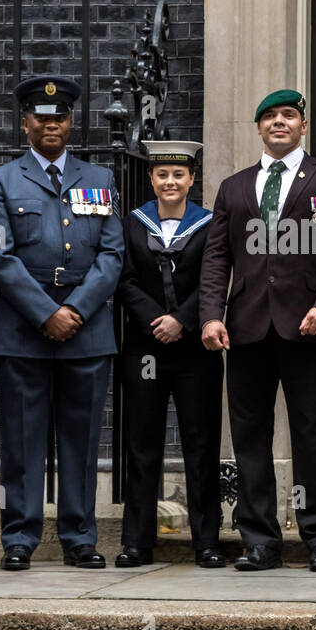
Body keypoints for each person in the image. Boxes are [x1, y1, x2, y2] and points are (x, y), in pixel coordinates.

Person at [200, 89, 316, 572]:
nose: (279, 123)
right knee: (249, 439)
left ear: (303, 125)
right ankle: (259, 540)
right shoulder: (234, 187)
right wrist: (210, 315)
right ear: (259, 128)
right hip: (246, 329)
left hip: (309, 328)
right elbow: (216, 257)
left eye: (288, 115)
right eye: (269, 117)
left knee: (315, 437)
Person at [0, 76, 123, 571]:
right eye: (41, 118)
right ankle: (18, 537)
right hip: (24, 332)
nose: (51, 125)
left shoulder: (100, 179)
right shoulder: (1, 180)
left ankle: (80, 536)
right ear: (25, 124)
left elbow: (112, 253)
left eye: (59, 117)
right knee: (21, 439)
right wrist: (46, 313)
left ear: (70, 122)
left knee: (82, 441)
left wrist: (76, 311)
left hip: (87, 331)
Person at [115, 141, 226, 568]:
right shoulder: (133, 223)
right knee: (142, 444)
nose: (170, 182)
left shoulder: (209, 224)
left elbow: (217, 277)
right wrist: (155, 321)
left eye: (178, 175)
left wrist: (181, 319)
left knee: (201, 444)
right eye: (162, 175)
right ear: (151, 179)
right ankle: (137, 542)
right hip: (145, 347)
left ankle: (207, 541)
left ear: (192, 179)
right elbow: (123, 280)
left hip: (196, 346)